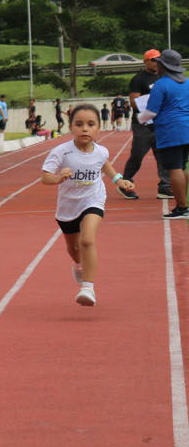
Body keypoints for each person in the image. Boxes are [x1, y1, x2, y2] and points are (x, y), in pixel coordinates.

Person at [41, 103, 136, 306]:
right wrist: (58, 178)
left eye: (91, 124)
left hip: (93, 199)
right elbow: (45, 177)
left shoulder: (101, 151)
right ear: (71, 127)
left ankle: (88, 288)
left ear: (98, 128)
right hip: (67, 207)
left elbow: (107, 167)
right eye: (79, 124)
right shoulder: (61, 152)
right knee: (74, 248)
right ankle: (78, 265)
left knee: (87, 240)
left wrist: (119, 180)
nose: (85, 128)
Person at [119, 49, 173, 200]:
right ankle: (126, 182)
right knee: (137, 154)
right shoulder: (139, 79)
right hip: (143, 124)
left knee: (162, 154)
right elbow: (133, 102)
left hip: (160, 123)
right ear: (145, 61)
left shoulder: (164, 77)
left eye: (158, 60)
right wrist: (154, 103)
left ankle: (165, 186)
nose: (156, 62)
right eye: (153, 60)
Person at [142, 49, 189, 219]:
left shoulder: (161, 85)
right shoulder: (187, 83)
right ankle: (183, 205)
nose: (157, 65)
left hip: (171, 131)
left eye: (159, 62)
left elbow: (150, 112)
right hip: (186, 129)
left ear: (164, 65)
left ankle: (182, 207)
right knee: (183, 166)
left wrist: (140, 118)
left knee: (174, 168)